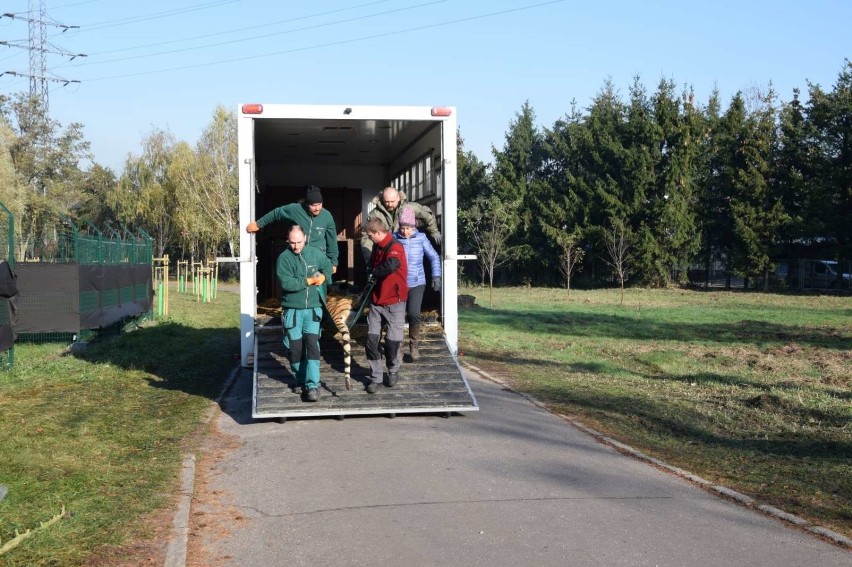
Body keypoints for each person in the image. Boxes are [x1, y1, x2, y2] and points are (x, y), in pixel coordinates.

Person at [276, 225, 332, 402]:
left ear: (305, 238)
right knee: (294, 349)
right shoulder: (284, 258)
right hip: (293, 310)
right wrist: (308, 281)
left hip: (313, 310)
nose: (296, 246)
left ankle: (312, 386)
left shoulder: (315, 253)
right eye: (292, 242)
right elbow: (286, 283)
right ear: (288, 240)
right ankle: (299, 379)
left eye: (299, 242)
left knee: (313, 347)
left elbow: (328, 267)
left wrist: (324, 277)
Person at [246, 184, 339, 274]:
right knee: (298, 285)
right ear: (307, 204)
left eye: (319, 204)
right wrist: (259, 224)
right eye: (313, 205)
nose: (317, 208)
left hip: (318, 260)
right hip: (298, 256)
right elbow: (276, 213)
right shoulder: (295, 210)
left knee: (319, 287)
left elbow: (332, 240)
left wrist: (333, 262)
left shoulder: (327, 216)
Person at [363, 216, 408, 394]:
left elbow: (391, 265)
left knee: (392, 342)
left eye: (370, 235)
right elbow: (373, 266)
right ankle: (376, 377)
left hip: (394, 301)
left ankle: (393, 369)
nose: (369, 238)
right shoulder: (376, 247)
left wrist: (374, 272)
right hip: (377, 301)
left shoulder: (395, 247)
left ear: (379, 233)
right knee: (372, 341)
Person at [394, 206, 441, 362]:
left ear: (413, 227)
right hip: (398, 284)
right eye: (402, 228)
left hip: (417, 283)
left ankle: (414, 345)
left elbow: (434, 257)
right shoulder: (394, 238)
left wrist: (436, 276)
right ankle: (398, 348)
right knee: (398, 317)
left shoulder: (421, 239)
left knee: (414, 314)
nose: (404, 232)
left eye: (407, 228)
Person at [359, 186, 441, 262]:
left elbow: (427, 215)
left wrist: (434, 231)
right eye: (386, 202)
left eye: (392, 201)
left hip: (408, 249)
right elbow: (367, 236)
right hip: (385, 252)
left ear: (398, 198)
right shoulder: (375, 214)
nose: (390, 204)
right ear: (382, 199)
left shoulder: (409, 208)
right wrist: (369, 258)